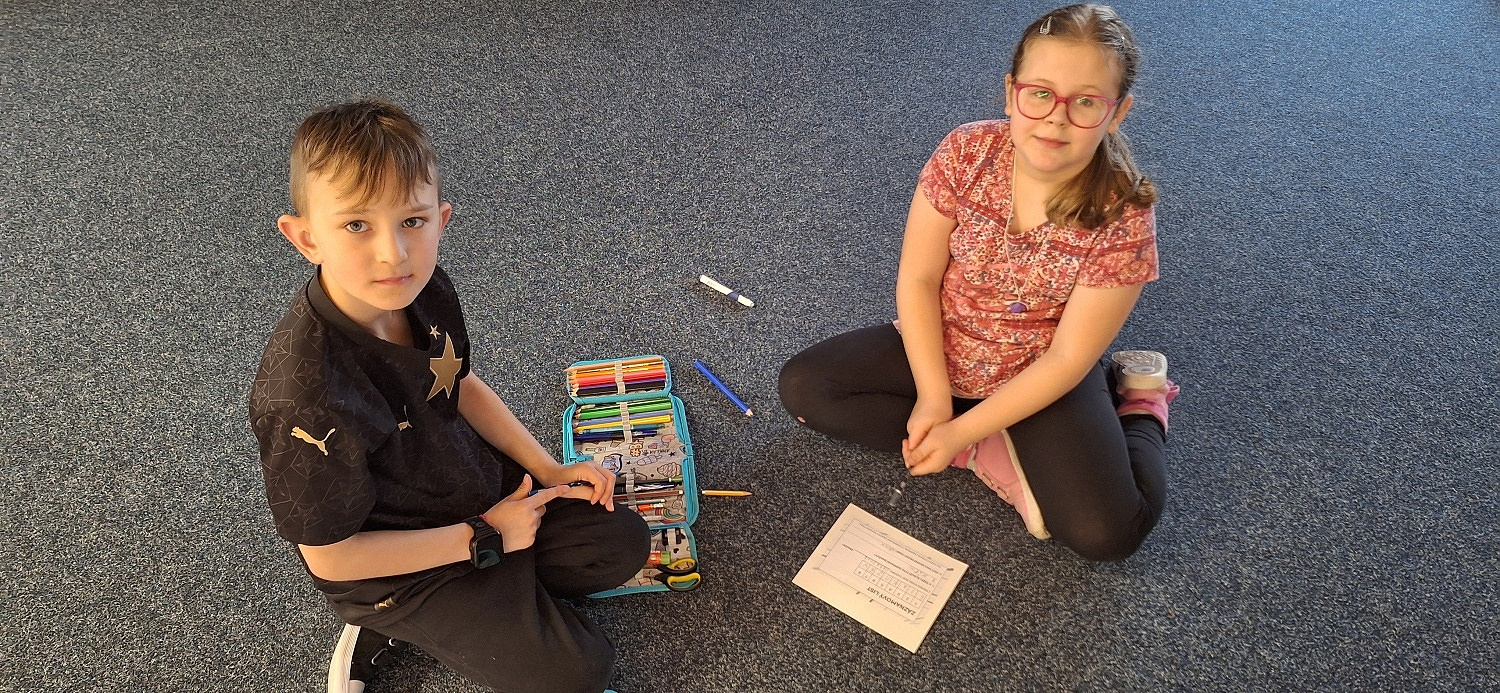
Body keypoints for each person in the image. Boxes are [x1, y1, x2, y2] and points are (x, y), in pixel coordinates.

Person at [248, 99, 649, 693]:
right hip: (398, 566)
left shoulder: (424, 287)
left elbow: (458, 383)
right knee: (580, 672)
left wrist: (547, 468)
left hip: (473, 495)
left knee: (621, 542)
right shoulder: (305, 398)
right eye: (357, 225)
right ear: (305, 238)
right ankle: (391, 623)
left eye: (412, 221)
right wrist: (483, 536)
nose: (394, 253)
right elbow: (331, 558)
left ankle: (490, 595)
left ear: (441, 220)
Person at [778, 4, 1178, 562]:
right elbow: (919, 278)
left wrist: (954, 430)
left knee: (1107, 535)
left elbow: (1066, 358)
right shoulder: (966, 151)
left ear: (1118, 112)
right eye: (1040, 93)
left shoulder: (1124, 214)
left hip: (1042, 371)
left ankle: (1142, 407)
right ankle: (985, 444)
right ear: (1011, 92)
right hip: (951, 338)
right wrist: (935, 399)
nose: (1056, 118)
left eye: (1086, 102)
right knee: (805, 388)